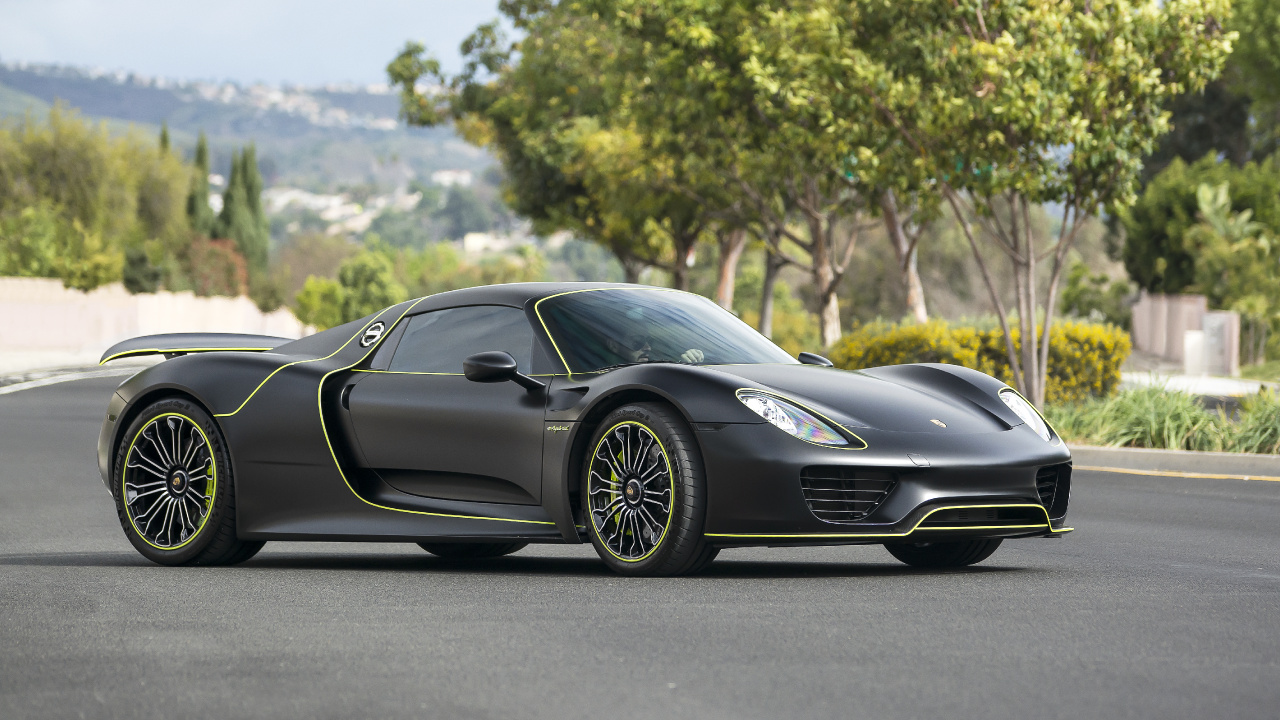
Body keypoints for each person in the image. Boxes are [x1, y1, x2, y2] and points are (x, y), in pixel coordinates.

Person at [605, 326, 704, 364]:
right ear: (613, 345)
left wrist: (685, 363)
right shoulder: (604, 381)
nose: (648, 348)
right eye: (637, 341)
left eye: (650, 341)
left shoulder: (654, 369)